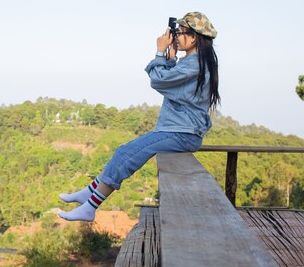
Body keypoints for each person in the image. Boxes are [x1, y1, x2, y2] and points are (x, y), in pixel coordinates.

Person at [58, 12, 220, 221]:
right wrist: (169, 60)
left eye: (180, 32)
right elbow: (173, 83)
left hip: (181, 133)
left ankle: (90, 206)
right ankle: (88, 193)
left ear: (194, 37)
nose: (176, 36)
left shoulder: (193, 64)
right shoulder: (194, 61)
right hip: (178, 130)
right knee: (123, 152)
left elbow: (159, 81)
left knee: (126, 154)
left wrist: (160, 52)